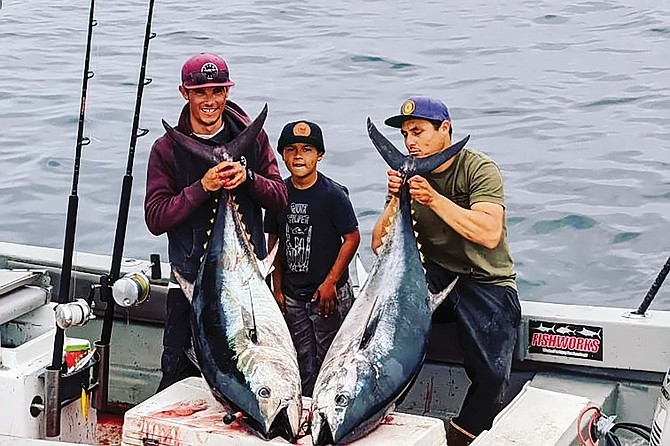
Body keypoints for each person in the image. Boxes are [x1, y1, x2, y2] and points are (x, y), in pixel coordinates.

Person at [371, 96, 520, 446]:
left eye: (419, 132)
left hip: (485, 280)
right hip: (434, 276)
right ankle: (378, 410)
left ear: (445, 129)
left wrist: (432, 199)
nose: (410, 142)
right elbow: (379, 246)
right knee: (383, 331)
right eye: (406, 134)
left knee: (493, 376)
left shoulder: (478, 168)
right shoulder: (408, 174)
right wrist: (397, 197)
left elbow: (488, 232)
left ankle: (459, 436)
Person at [144, 53, 288, 391]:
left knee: (253, 376)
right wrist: (203, 187)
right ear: (185, 93)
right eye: (201, 92)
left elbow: (280, 197)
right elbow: (155, 217)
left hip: (250, 285)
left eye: (218, 91)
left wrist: (248, 178)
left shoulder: (254, 140)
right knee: (177, 379)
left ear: (227, 91)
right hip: (191, 285)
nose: (210, 101)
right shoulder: (166, 150)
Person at [264, 120, 360, 397]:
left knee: (335, 360)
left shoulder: (333, 195)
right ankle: (305, 410)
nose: (298, 156)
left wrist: (331, 282)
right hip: (293, 296)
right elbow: (274, 242)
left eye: (307, 149)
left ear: (319, 156)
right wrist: (277, 288)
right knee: (301, 359)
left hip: (328, 296)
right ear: (282, 155)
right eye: (291, 149)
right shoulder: (278, 194)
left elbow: (352, 238)